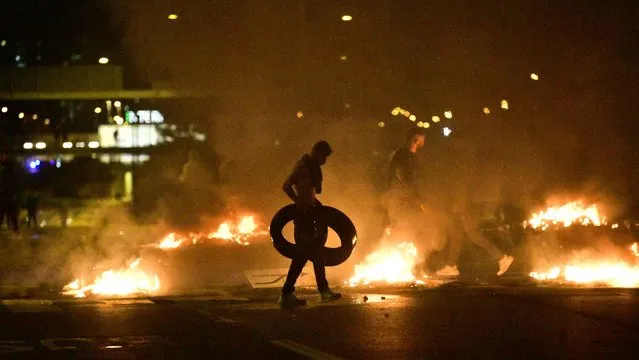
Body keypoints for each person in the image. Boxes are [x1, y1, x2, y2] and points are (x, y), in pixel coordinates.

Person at [435, 136, 514, 277]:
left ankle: (503, 257)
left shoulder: (463, 162)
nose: (452, 145)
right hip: (464, 204)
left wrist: (460, 205)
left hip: (465, 205)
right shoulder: (464, 160)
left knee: (473, 234)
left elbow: (463, 186)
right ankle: (451, 266)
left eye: (454, 142)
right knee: (456, 235)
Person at [278, 140, 341, 308]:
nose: (325, 161)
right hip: (303, 216)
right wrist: (299, 203)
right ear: (316, 152)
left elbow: (310, 192)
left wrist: (314, 204)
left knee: (310, 255)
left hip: (310, 213)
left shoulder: (312, 167)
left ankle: (297, 293)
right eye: (324, 157)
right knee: (305, 255)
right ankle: (290, 294)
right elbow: (286, 186)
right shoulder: (302, 166)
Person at [384, 128, 427, 236]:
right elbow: (405, 177)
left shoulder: (407, 154)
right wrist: (416, 196)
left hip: (403, 197)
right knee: (400, 228)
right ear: (416, 140)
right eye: (421, 140)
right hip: (401, 199)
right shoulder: (404, 155)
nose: (422, 143)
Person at [0, 154, 20, 234]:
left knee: (12, 213)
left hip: (9, 194)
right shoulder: (4, 168)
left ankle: (16, 228)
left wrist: (14, 193)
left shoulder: (10, 168)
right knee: (2, 213)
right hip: (3, 195)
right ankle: (15, 228)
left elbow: (13, 181)